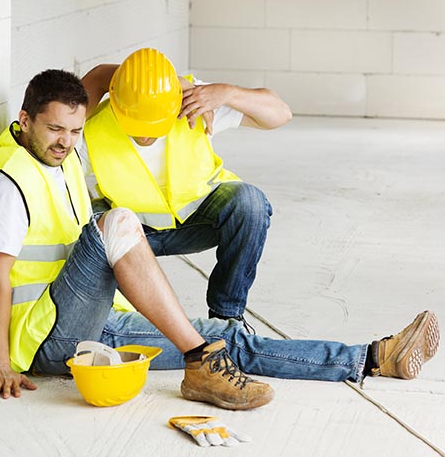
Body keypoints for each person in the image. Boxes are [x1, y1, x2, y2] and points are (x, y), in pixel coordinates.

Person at [0, 68, 440, 406]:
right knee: (116, 221)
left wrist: (152, 79)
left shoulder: (65, 157)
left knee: (227, 342)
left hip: (96, 319)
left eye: (74, 130)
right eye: (55, 128)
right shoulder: (9, 182)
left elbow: (95, 81)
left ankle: (374, 358)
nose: (66, 140)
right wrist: (0, 363)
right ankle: (200, 357)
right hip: (48, 338)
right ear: (25, 118)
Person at [81, 48, 292, 328]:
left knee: (250, 204)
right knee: (90, 225)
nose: (145, 133)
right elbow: (93, 82)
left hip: (197, 223)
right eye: (135, 122)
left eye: (154, 124)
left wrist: (226, 92)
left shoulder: (192, 101)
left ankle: (226, 320)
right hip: (132, 238)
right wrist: (136, 80)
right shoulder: (92, 127)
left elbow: (280, 114)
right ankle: (119, 321)